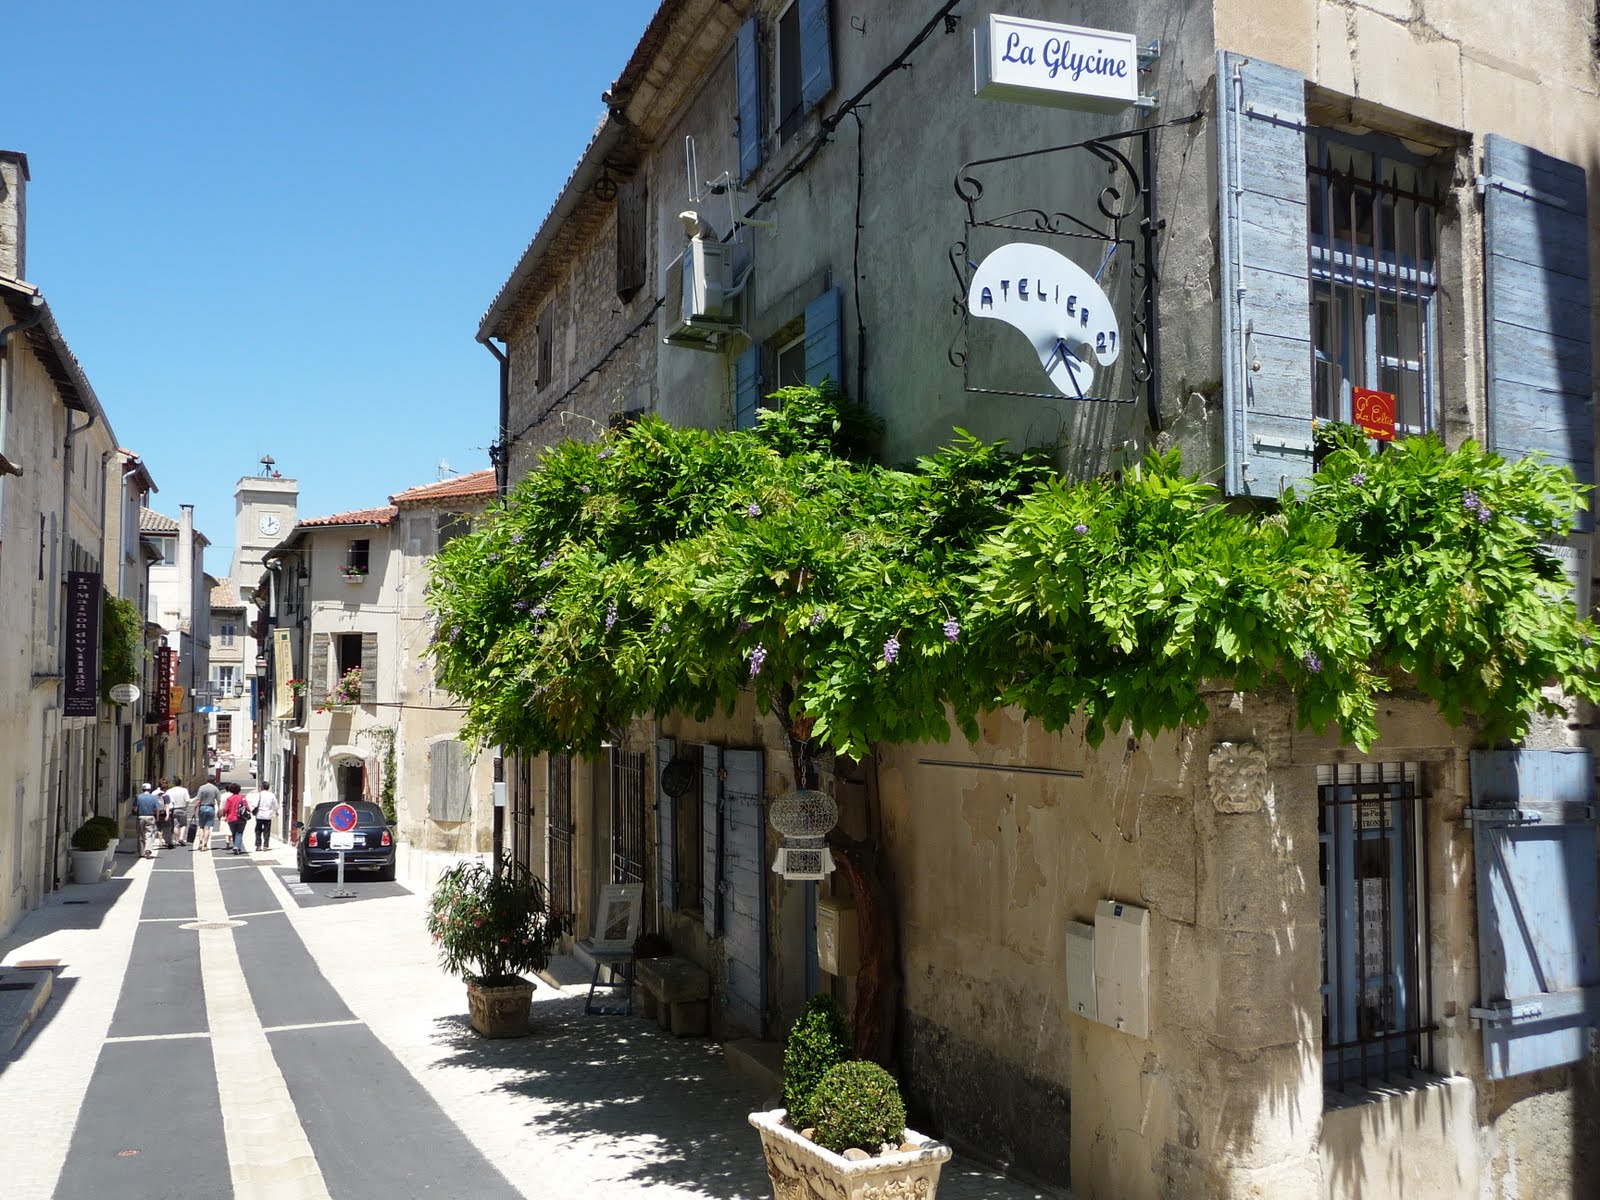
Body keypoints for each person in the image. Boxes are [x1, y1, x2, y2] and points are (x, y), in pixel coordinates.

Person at [133, 783, 161, 858]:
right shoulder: (153, 797)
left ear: (142, 789)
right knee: (149, 834)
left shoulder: (138, 797)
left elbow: (135, 809)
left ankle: (141, 853)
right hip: (150, 817)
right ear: (149, 789)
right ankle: (148, 850)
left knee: (140, 835)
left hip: (140, 817)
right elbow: (157, 808)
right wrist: (157, 817)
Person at [193, 777, 221, 851]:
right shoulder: (215, 789)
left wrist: (194, 809)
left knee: (201, 826)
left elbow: (198, 800)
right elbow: (218, 801)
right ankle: (205, 844)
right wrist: (219, 810)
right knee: (207, 828)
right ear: (213, 781)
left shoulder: (202, 788)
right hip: (211, 808)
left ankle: (200, 842)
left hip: (202, 807)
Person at [222, 784, 251, 855]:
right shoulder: (242, 797)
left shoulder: (229, 799)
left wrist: (223, 815)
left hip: (231, 818)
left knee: (234, 833)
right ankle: (237, 847)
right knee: (239, 833)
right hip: (241, 818)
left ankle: (236, 846)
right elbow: (247, 807)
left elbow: (225, 809)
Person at [164, 778, 193, 848]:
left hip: (173, 809)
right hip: (182, 808)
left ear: (173, 783)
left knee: (175, 825)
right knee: (183, 824)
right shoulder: (184, 790)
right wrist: (186, 806)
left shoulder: (169, 791)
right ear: (180, 783)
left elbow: (166, 799)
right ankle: (181, 838)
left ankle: (176, 839)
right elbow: (187, 800)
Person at [251, 782, 279, 851]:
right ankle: (265, 845)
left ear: (262, 787)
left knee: (258, 831)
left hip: (259, 815)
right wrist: (276, 811)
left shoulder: (259, 795)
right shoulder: (271, 795)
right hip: (268, 816)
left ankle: (258, 845)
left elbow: (254, 804)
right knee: (267, 831)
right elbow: (275, 805)